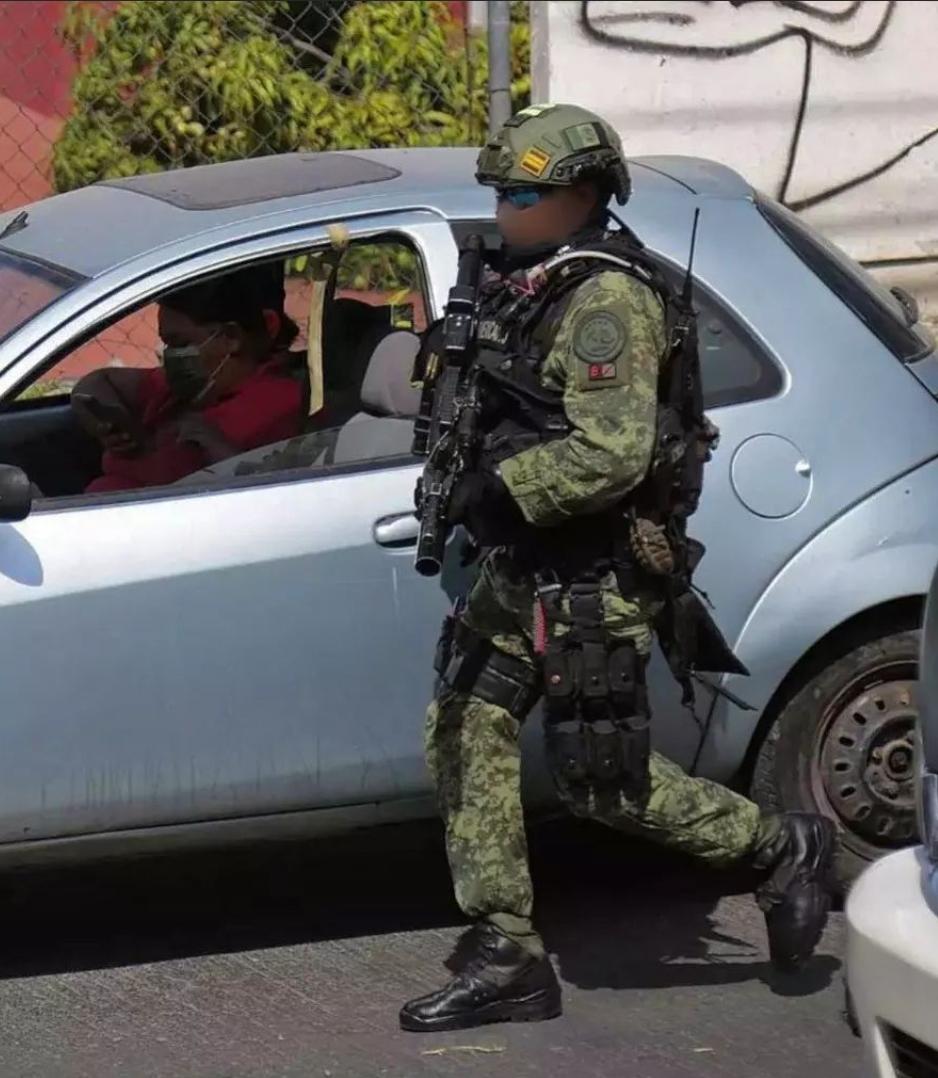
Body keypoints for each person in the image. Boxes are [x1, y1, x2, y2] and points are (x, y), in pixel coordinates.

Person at [400, 103, 837, 1034]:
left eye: (522, 190)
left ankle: (778, 849)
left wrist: (498, 487)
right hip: (522, 567)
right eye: (499, 189)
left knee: (603, 779)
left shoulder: (607, 303)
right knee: (464, 724)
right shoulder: (531, 280)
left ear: (581, 196)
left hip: (590, 573)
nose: (505, 206)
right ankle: (506, 950)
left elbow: (612, 453)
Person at [74, 263, 303, 493]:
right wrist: (109, 420)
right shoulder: (181, 388)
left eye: (180, 344)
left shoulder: (285, 406)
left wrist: (216, 447)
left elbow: (277, 497)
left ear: (231, 337)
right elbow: (97, 383)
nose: (168, 355)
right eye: (167, 344)